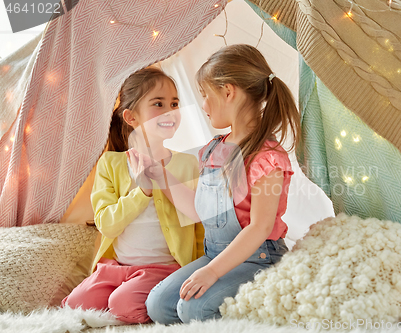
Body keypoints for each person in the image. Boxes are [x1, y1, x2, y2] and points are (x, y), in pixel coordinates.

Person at [145, 44, 301, 324]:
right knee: (158, 306)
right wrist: (161, 176)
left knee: (193, 310)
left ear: (228, 92)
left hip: (259, 258)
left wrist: (213, 272)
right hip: (216, 254)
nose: (202, 105)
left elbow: (260, 227)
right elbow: (197, 210)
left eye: (205, 95)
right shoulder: (214, 149)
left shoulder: (267, 157)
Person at [61, 67, 204, 324]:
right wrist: (143, 192)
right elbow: (107, 223)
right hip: (115, 268)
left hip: (163, 269)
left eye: (174, 103)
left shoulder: (187, 164)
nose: (170, 111)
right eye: (158, 104)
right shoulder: (110, 164)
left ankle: (131, 298)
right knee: (74, 305)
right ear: (131, 117)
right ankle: (121, 293)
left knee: (123, 305)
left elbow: (197, 225)